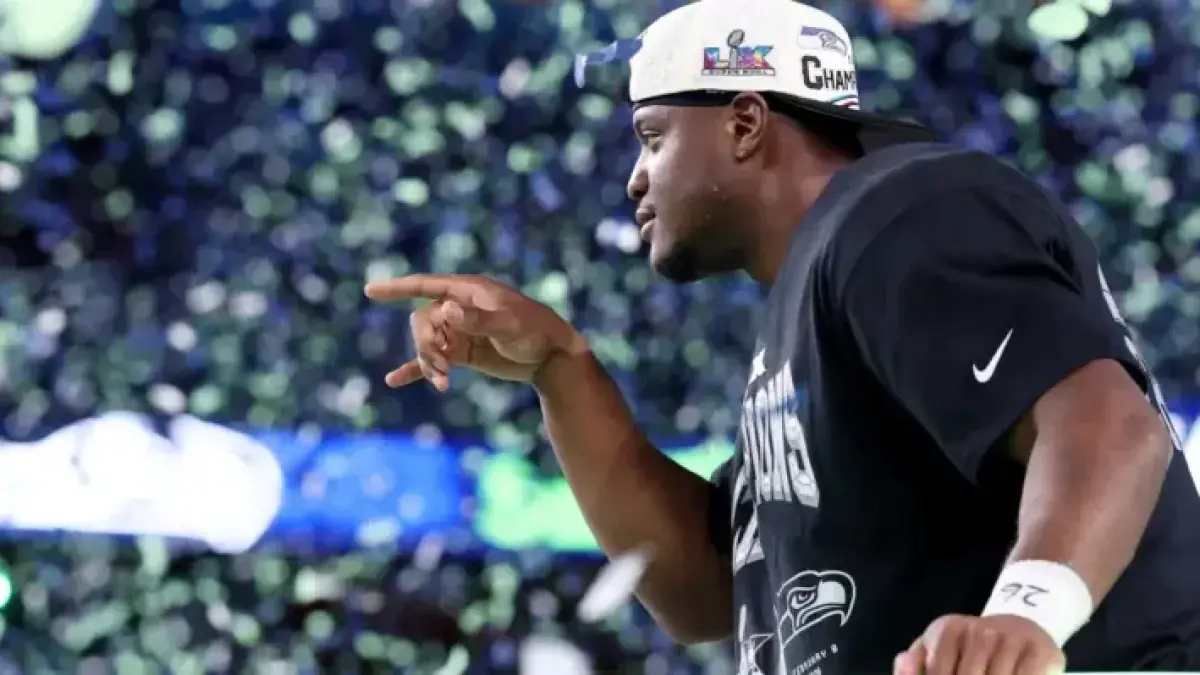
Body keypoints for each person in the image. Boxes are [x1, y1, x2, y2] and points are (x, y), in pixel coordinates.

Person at [365, 0, 1200, 672]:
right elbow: (702, 586)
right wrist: (561, 367)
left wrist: (1026, 617)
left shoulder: (896, 214)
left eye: (652, 138)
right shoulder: (821, 288)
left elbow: (1112, 427)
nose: (634, 178)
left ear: (744, 122)